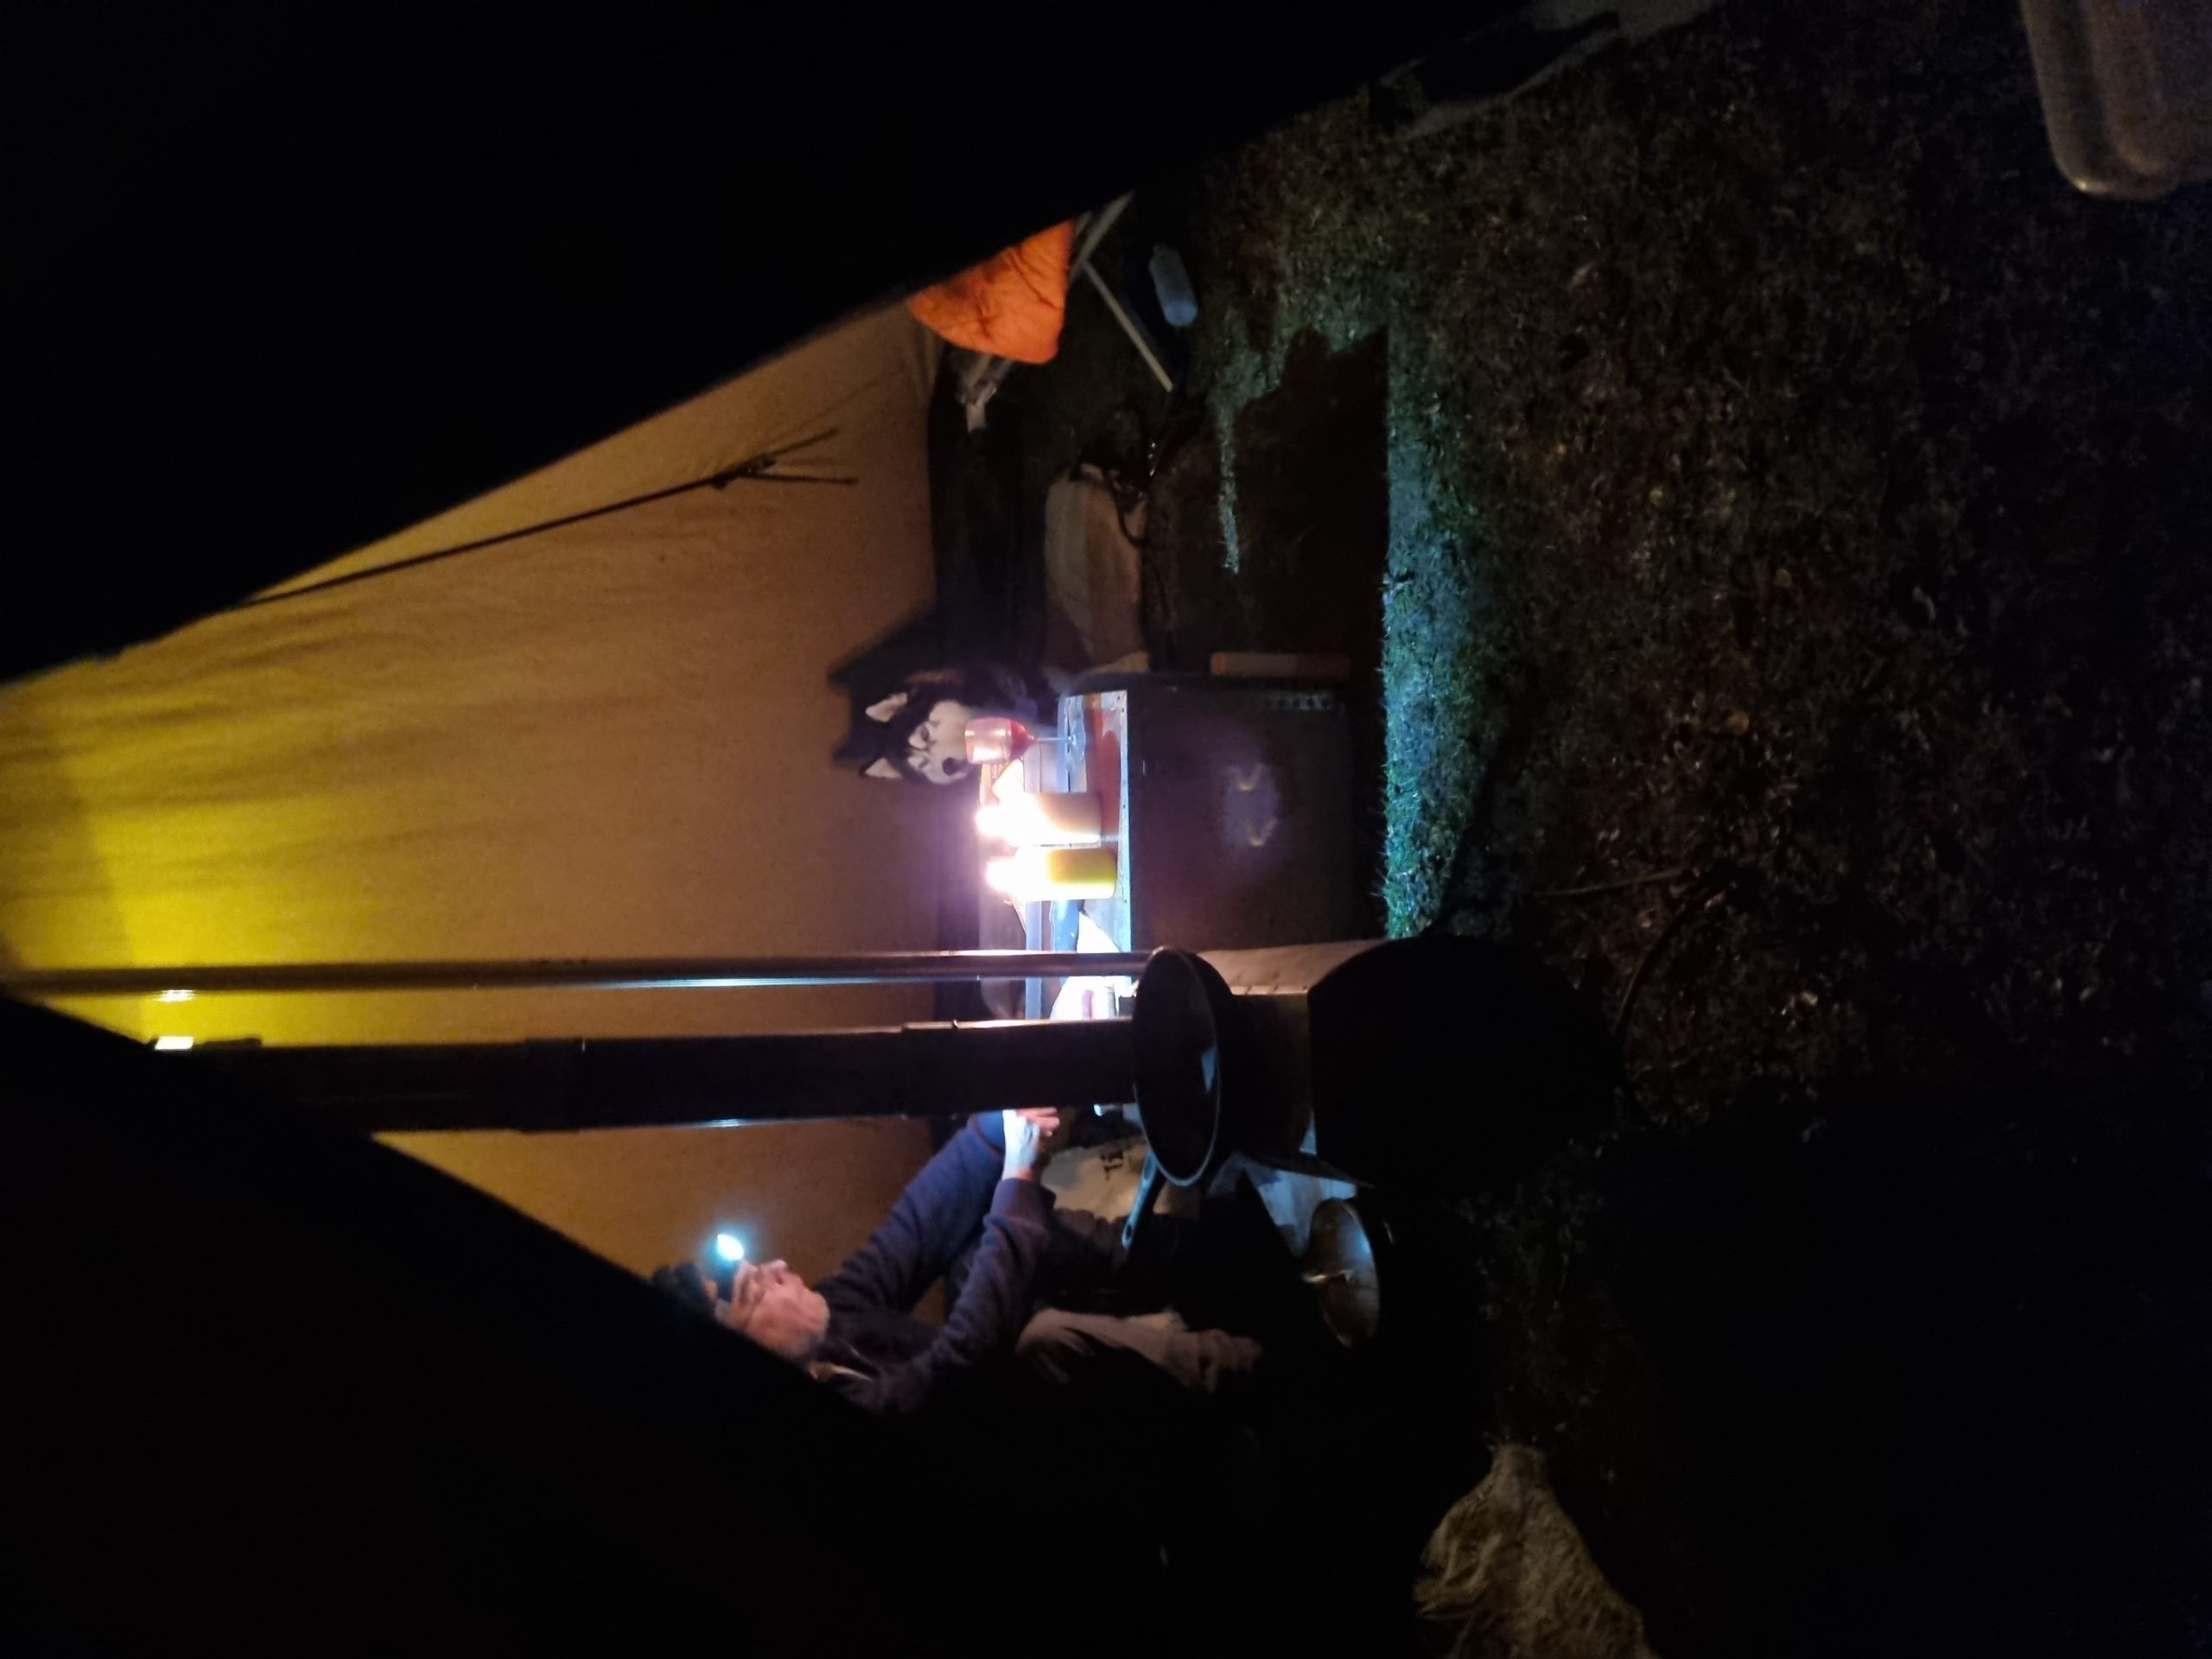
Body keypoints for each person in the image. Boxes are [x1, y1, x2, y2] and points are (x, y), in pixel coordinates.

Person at [653, 1108, 1265, 1419]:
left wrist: (997, 1127)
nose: (781, 1266)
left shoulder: (833, 1319)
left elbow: (913, 1233)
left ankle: (1202, 1259)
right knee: (1046, 1339)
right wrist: (1016, 1175)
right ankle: (1261, 1371)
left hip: (994, 1396)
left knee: (978, 1248)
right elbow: (959, 1363)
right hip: (1027, 1475)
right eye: (757, 1291)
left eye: (760, 1267)